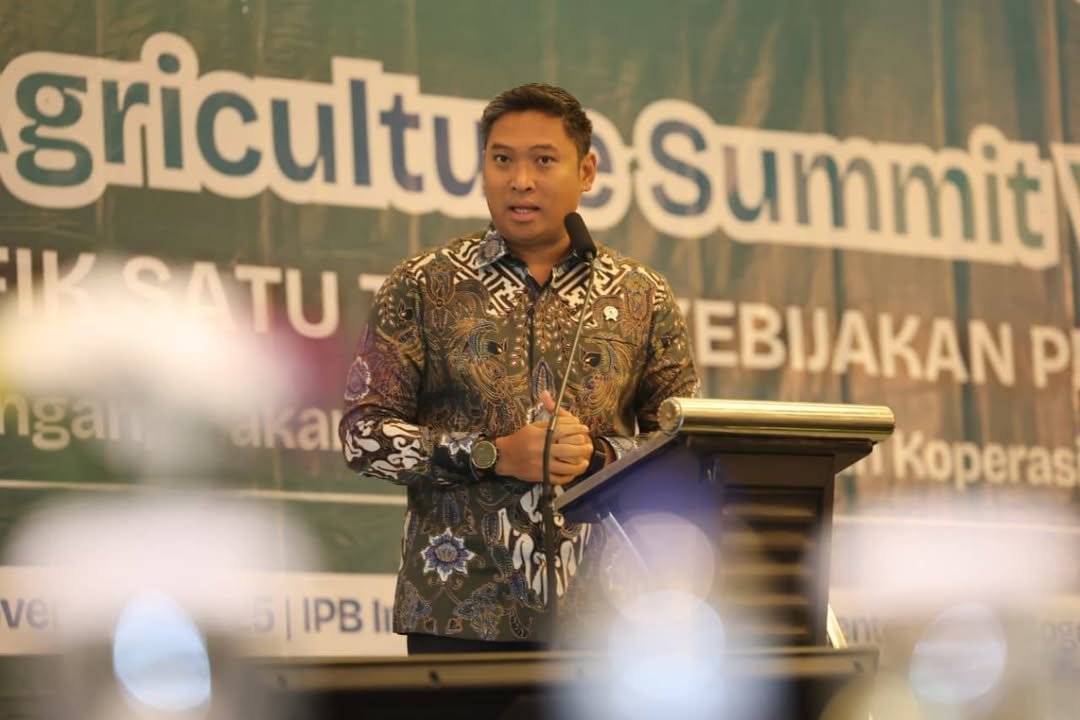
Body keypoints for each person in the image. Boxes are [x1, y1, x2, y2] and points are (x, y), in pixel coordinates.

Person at [339, 83, 699, 654]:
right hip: (457, 610)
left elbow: (686, 448)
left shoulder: (641, 295)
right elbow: (364, 436)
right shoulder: (424, 285)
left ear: (586, 171)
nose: (520, 180)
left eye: (544, 161)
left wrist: (597, 457)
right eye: (502, 159)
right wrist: (492, 454)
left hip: (607, 620)